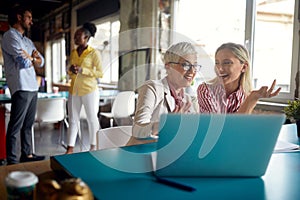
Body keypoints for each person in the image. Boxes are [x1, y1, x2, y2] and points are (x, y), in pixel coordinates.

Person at [1, 6, 45, 165]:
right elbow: (24, 61)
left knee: (28, 125)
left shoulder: (27, 41)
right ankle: (12, 160)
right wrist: (32, 59)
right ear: (19, 17)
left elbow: (42, 61)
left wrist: (33, 59)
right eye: (28, 17)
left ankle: (27, 155)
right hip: (21, 87)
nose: (31, 21)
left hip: (33, 87)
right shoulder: (9, 36)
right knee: (15, 126)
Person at [132, 42, 200, 138]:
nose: (192, 71)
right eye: (186, 65)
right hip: (146, 150)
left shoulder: (189, 101)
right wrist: (166, 125)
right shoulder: (152, 88)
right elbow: (137, 130)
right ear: (168, 66)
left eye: (195, 66)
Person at [197, 42, 281, 113]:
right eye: (217, 63)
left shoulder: (246, 94)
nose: (220, 68)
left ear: (244, 67)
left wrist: (252, 97)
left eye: (227, 63)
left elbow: (239, 128)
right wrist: (252, 99)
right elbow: (218, 128)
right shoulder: (205, 90)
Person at [65, 22, 103, 154]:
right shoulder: (74, 53)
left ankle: (94, 146)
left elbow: (100, 73)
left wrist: (83, 70)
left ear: (86, 37)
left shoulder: (94, 53)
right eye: (75, 36)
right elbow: (70, 72)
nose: (75, 38)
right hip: (74, 90)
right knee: (73, 119)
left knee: (92, 118)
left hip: (89, 90)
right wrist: (71, 70)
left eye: (78, 36)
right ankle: (70, 148)